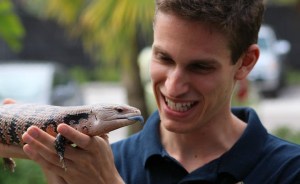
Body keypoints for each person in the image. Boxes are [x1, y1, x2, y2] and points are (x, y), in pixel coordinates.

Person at [1, 0, 300, 183]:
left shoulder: (288, 171)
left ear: (245, 63)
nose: (173, 86)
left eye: (200, 67)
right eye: (163, 58)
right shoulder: (98, 160)